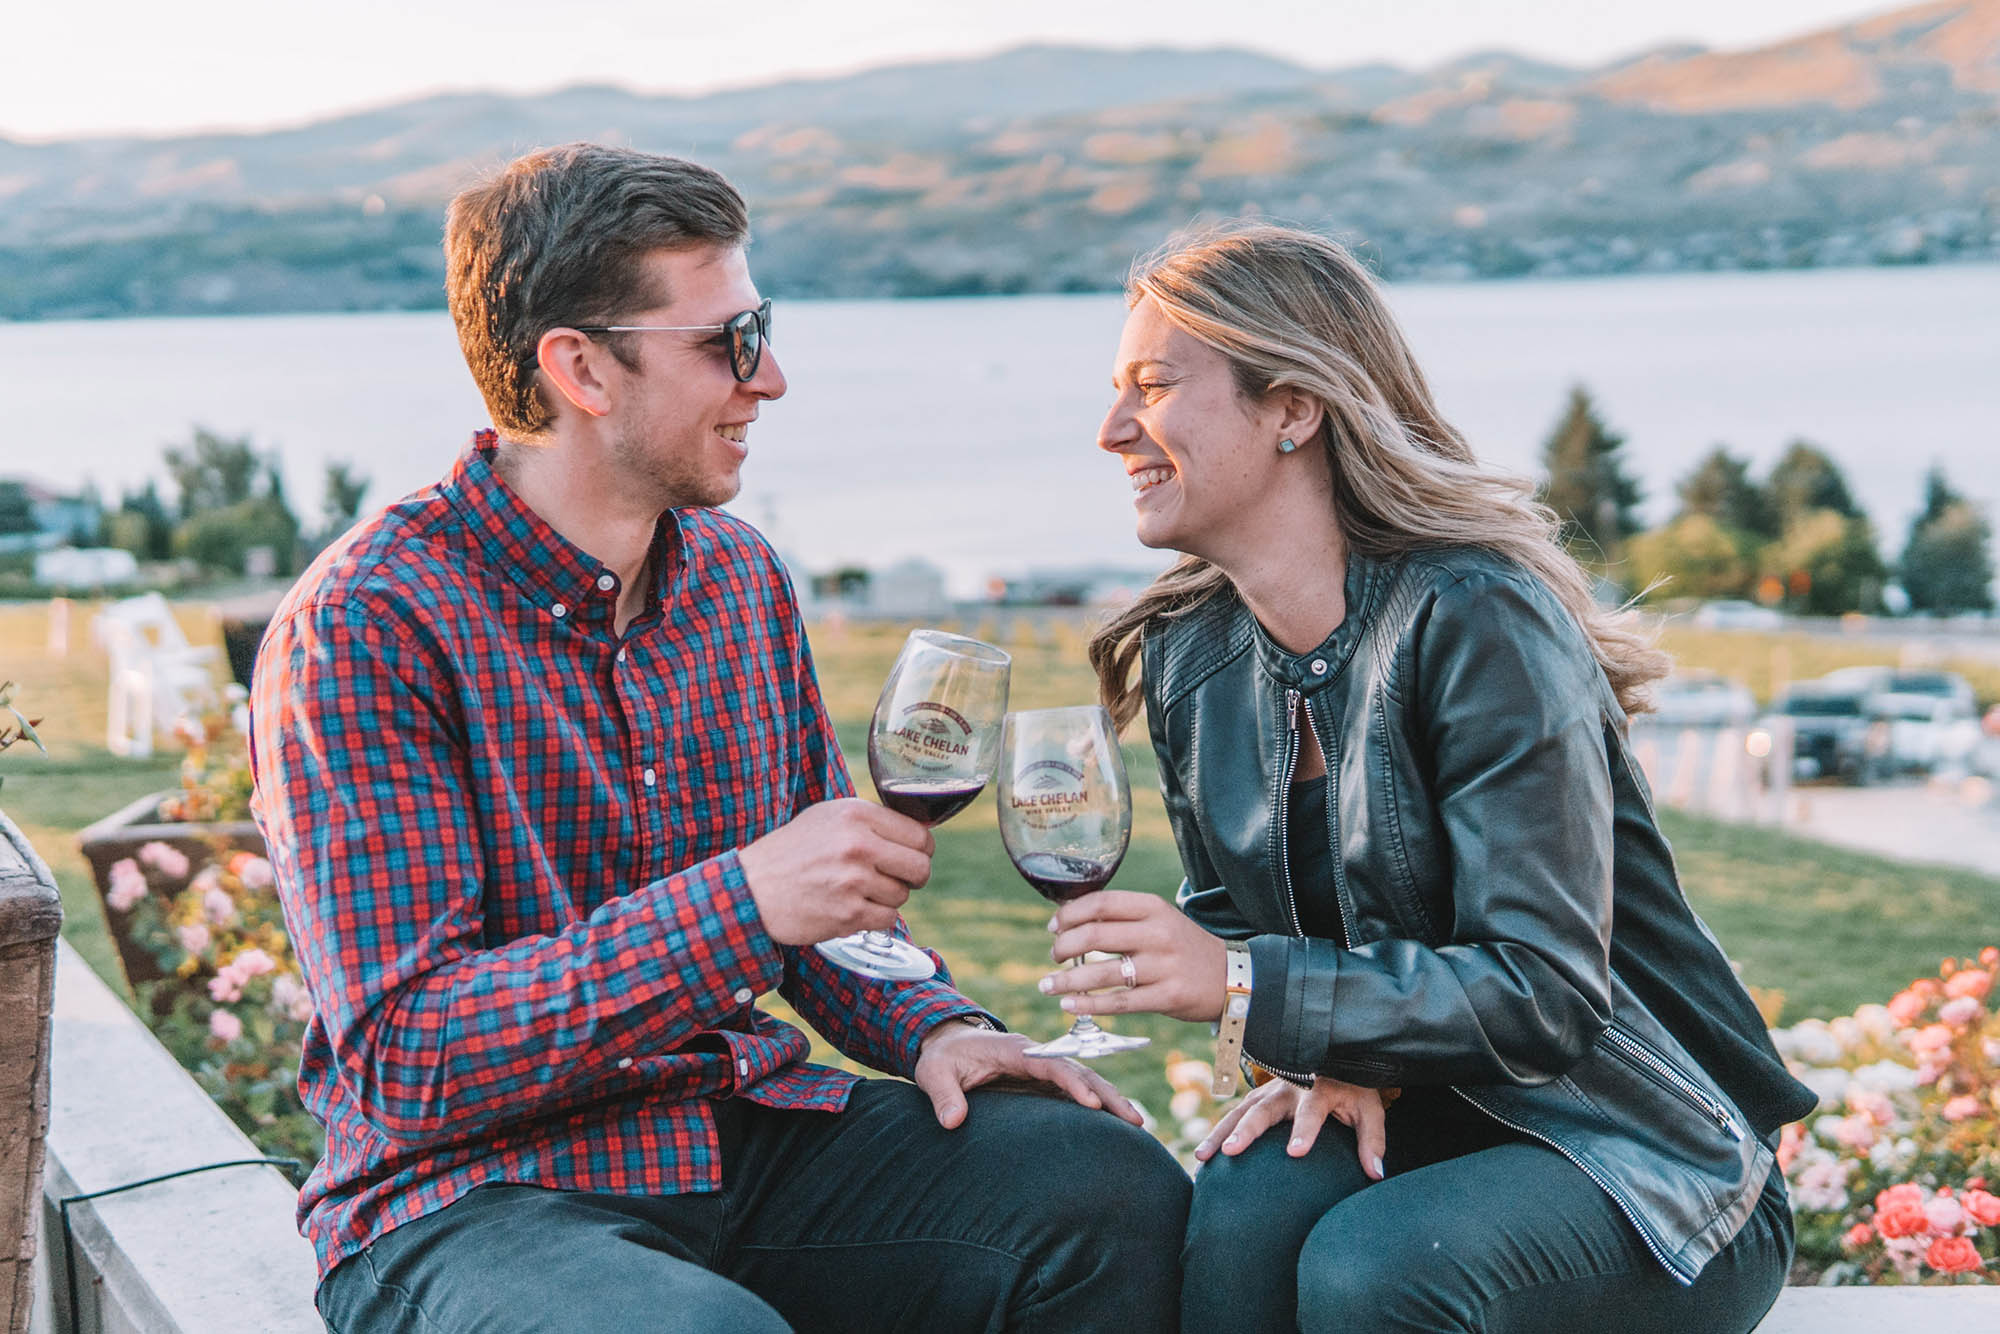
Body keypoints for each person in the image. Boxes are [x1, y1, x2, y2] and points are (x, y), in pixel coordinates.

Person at [249, 142, 1188, 1334]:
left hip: (731, 1138)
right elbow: (405, 1060)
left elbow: (825, 913)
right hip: (470, 1197)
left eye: (762, 329)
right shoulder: (368, 622)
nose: (771, 378)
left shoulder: (738, 580)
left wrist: (937, 1025)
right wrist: (737, 904)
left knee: (1104, 1185)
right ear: (580, 367)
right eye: (727, 343)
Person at [1039, 223, 1817, 1333]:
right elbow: (1244, 920)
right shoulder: (1191, 656)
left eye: (1153, 386)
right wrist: (1331, 1041)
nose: (1112, 428)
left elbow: (1540, 989)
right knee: (1238, 1213)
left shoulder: (1478, 618)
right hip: (1427, 1105)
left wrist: (1254, 987)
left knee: (1378, 1265)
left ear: (1293, 408)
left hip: (1657, 1153)